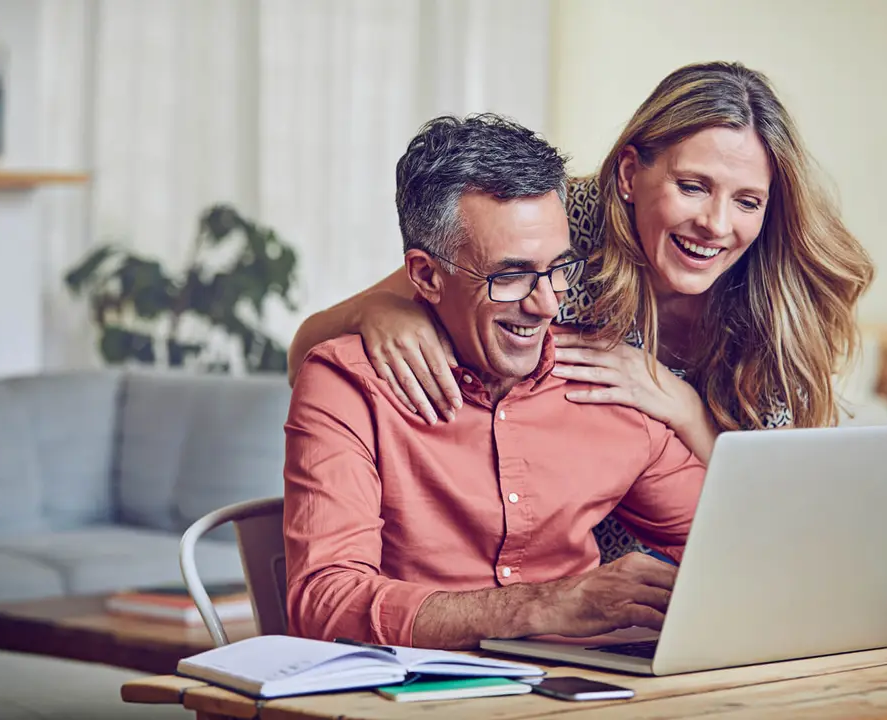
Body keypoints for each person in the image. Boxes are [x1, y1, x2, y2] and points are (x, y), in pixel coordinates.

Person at [286, 61, 874, 562]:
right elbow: (315, 343)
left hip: (705, 558)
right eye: (693, 186)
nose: (717, 225)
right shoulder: (555, 227)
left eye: (747, 201)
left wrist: (683, 409)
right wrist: (385, 311)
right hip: (567, 570)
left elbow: (783, 517)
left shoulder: (780, 298)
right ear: (628, 174)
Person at [284, 114, 706, 650]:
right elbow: (325, 604)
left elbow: (736, 545)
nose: (547, 304)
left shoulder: (606, 383)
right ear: (427, 276)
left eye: (558, 269)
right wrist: (546, 604)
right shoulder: (348, 384)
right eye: (510, 276)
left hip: (586, 696)